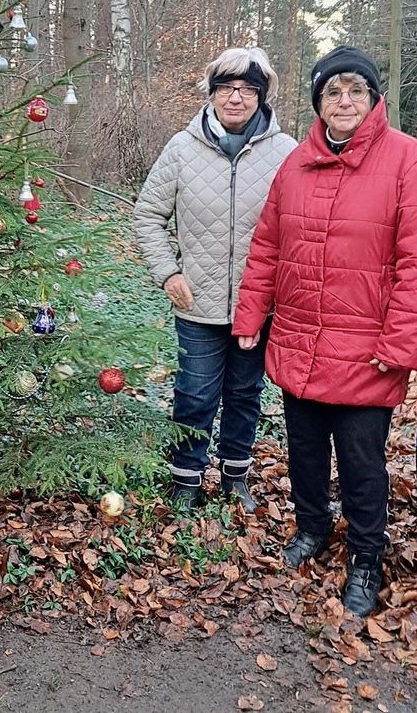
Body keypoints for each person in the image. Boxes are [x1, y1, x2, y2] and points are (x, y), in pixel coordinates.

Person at [232, 47, 417, 616]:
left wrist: (400, 345)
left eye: (355, 91)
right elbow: (268, 246)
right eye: (332, 92)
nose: (344, 101)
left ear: (374, 99)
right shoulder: (295, 164)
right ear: (318, 103)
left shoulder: (408, 161)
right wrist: (251, 314)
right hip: (300, 339)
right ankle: (311, 527)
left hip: (365, 350)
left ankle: (367, 555)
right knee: (303, 449)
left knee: (362, 463)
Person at [133, 47, 299, 511]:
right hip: (197, 302)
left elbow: (302, 227)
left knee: (245, 394)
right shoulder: (182, 149)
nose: (236, 98)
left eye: (248, 90)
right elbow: (147, 215)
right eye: (226, 88)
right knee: (195, 394)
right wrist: (168, 272)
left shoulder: (286, 153)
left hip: (259, 305)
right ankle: (186, 479)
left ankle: (235, 477)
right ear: (212, 93)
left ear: (262, 98)